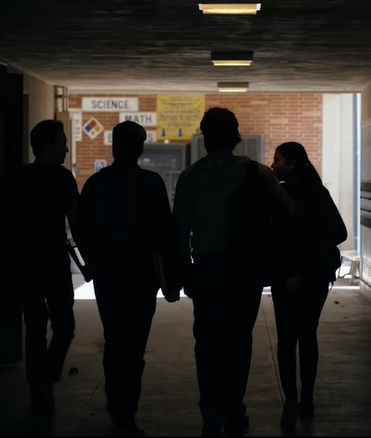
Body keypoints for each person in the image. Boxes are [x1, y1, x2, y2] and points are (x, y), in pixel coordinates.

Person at [173, 107, 294, 437]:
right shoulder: (257, 173)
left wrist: (185, 273)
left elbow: (180, 231)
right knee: (239, 340)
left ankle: (211, 411)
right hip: (246, 269)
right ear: (236, 135)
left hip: (208, 270)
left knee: (208, 342)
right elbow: (288, 214)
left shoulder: (191, 176)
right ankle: (234, 408)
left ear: (204, 136)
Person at [75, 121, 180, 436]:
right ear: (141, 149)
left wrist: (91, 260)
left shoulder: (96, 183)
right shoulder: (151, 183)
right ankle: (127, 406)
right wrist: (171, 276)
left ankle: (115, 402)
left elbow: (82, 228)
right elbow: (165, 232)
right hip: (142, 275)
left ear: (113, 147)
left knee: (114, 337)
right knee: (135, 343)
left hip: (108, 273)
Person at [0, 119, 79, 419]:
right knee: (64, 326)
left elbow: (2, 224)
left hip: (23, 263)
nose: (66, 148)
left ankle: (38, 384)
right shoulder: (63, 178)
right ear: (47, 145)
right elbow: (76, 221)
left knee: (34, 327)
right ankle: (46, 376)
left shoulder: (14, 178)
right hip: (53, 261)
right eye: (62, 142)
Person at [269, 141, 348, 430]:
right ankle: (308, 399)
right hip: (316, 276)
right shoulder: (319, 193)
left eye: (278, 160)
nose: (273, 164)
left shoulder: (281, 195)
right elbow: (340, 232)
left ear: (291, 163)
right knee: (308, 335)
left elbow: (273, 239)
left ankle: (290, 400)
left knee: (286, 339)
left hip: (286, 277)